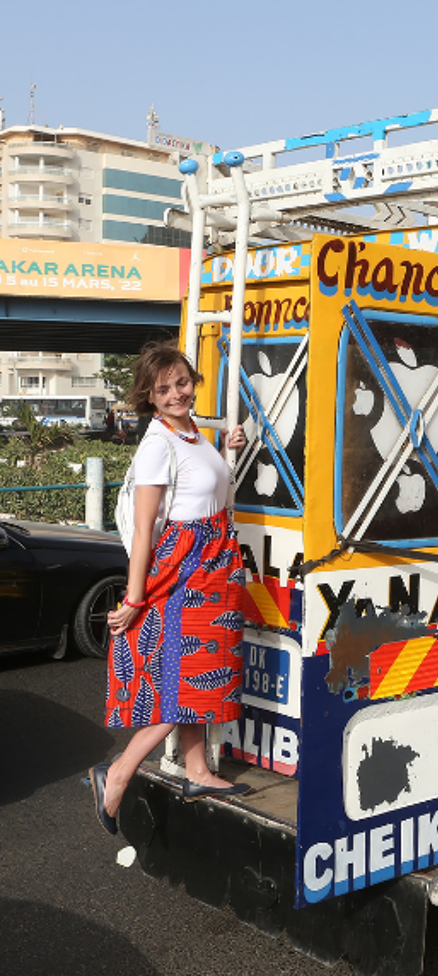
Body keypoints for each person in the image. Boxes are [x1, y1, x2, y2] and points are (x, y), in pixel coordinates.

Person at [90, 342, 252, 836]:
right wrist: (135, 597)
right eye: (163, 388)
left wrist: (229, 449)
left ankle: (198, 771)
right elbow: (145, 529)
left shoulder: (192, 434)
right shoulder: (159, 442)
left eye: (181, 382)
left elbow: (206, 489)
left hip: (214, 561)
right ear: (149, 396)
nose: (176, 393)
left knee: (197, 672)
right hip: (187, 568)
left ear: (192, 381)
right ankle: (116, 774)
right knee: (184, 680)